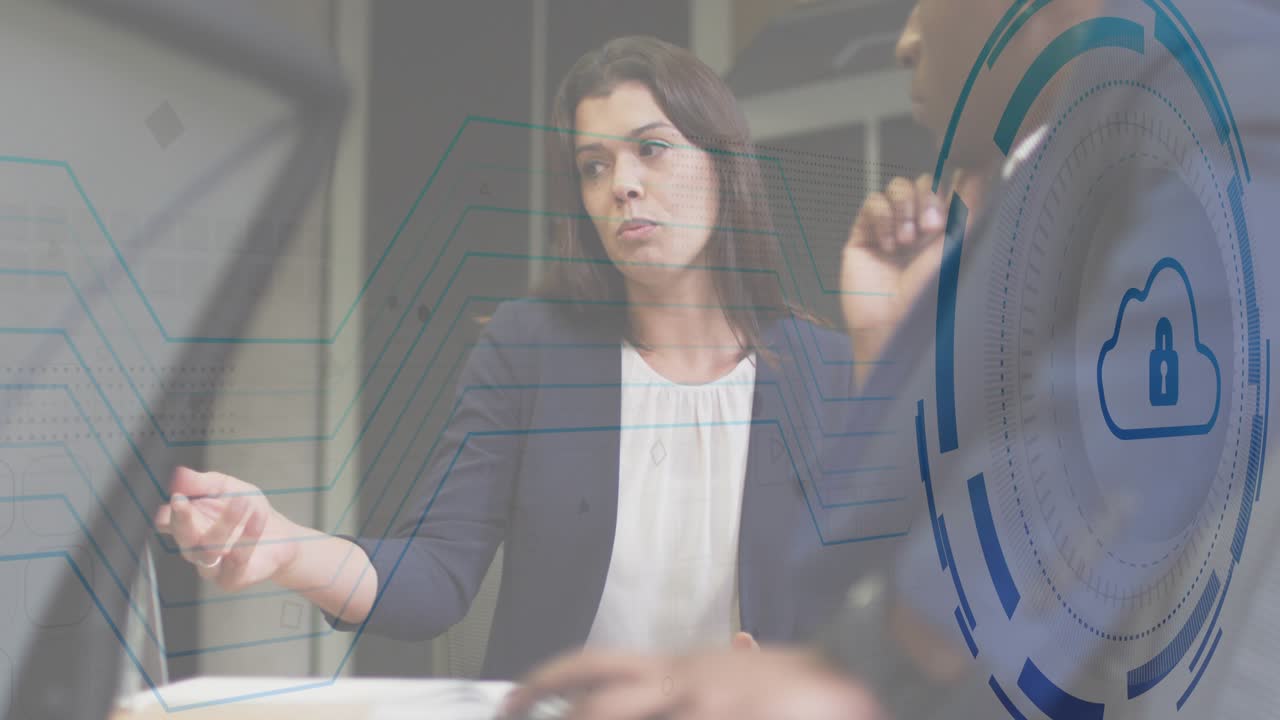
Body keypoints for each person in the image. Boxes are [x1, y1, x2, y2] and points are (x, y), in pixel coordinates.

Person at [500, 0, 1280, 717]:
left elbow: (1158, 389)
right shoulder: (1058, 177)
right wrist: (889, 349)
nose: (904, 40)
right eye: (593, 167)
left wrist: (867, 662)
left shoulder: (1220, 72)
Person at [154, 36, 885, 680]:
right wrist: (285, 547)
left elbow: (896, 593)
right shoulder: (530, 349)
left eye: (652, 149)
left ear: (725, 165)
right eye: (593, 167)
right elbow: (435, 571)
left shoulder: (825, 370)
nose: (621, 184)